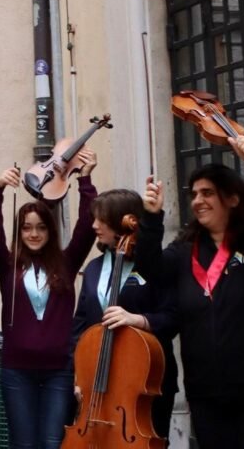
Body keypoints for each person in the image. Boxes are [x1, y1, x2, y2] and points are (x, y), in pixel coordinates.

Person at [136, 136, 244, 449]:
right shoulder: (184, 251)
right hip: (208, 392)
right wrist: (152, 218)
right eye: (194, 194)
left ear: (233, 199)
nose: (197, 201)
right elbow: (149, 268)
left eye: (207, 193)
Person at [0, 150, 98, 449]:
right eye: (26, 227)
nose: (33, 234)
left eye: (41, 227)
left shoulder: (66, 262)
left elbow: (86, 229)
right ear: (19, 231)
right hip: (16, 371)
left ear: (50, 230)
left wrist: (85, 180)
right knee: (23, 444)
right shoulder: (8, 265)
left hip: (58, 371)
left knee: (51, 443)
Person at [69, 188, 177, 444]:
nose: (94, 225)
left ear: (121, 220)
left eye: (101, 219)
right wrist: (77, 376)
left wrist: (137, 320)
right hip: (98, 382)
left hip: (144, 381)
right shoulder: (94, 268)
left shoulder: (152, 266)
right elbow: (81, 325)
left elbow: (172, 317)